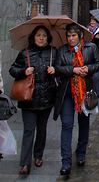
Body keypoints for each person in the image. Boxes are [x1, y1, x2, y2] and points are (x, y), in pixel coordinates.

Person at [53, 23, 99, 176]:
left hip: (84, 91)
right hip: (67, 92)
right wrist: (73, 70)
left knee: (83, 123)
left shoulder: (90, 48)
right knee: (67, 125)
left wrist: (89, 69)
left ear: (80, 35)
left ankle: (81, 154)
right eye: (68, 36)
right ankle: (66, 162)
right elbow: (57, 69)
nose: (70, 38)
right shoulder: (62, 50)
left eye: (73, 35)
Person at [9, 25, 57, 175]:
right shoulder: (25, 53)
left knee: (41, 130)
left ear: (48, 38)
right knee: (29, 130)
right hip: (28, 99)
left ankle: (38, 155)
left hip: (47, 98)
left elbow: (62, 68)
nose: (41, 38)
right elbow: (12, 69)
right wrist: (24, 71)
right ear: (33, 37)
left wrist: (54, 70)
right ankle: (25, 163)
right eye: (38, 35)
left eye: (44, 36)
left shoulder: (53, 52)